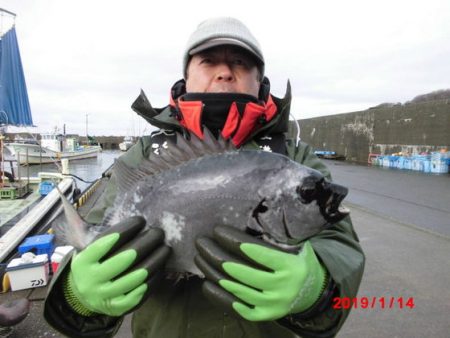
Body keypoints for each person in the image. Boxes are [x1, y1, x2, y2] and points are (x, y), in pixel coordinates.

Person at [44, 17, 365, 338]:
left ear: (260, 79)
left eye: (240, 62)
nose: (224, 71)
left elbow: (339, 245)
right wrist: (78, 296)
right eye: (209, 60)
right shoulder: (144, 154)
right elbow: (97, 250)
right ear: (186, 76)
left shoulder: (294, 159)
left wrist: (315, 289)